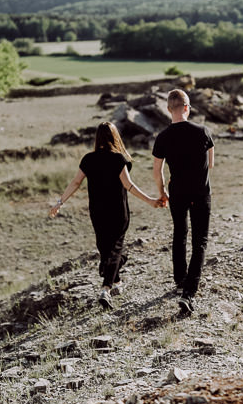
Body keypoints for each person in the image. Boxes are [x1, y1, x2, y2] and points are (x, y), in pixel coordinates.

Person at [50, 121, 162, 309]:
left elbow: (76, 182)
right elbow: (129, 185)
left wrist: (60, 202)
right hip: (118, 211)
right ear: (115, 137)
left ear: (97, 138)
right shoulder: (118, 158)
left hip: (97, 212)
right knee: (113, 250)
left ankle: (114, 281)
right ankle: (106, 288)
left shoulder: (88, 159)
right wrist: (150, 200)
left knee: (106, 248)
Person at [152, 89, 215, 315]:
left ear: (169, 109)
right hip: (200, 192)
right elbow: (212, 164)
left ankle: (180, 279)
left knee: (180, 233)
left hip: (176, 192)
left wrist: (162, 192)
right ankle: (189, 293)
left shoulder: (162, 137)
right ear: (187, 107)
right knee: (200, 241)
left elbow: (157, 171)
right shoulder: (204, 131)